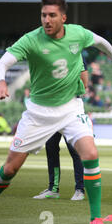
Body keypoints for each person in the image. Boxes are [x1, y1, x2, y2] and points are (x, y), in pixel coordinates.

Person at [0, 0, 112, 224]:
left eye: (51, 15)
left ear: (63, 18)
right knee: (10, 169)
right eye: (43, 15)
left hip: (70, 108)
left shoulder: (77, 33)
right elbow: (3, 63)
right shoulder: (31, 39)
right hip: (38, 113)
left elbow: (99, 40)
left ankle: (95, 220)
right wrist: (1, 82)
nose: (46, 20)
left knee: (90, 153)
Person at [33, 57, 90, 201]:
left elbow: (85, 80)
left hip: (70, 108)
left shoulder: (76, 55)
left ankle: (80, 189)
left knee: (75, 150)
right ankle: (53, 189)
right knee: (51, 147)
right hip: (51, 108)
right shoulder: (50, 56)